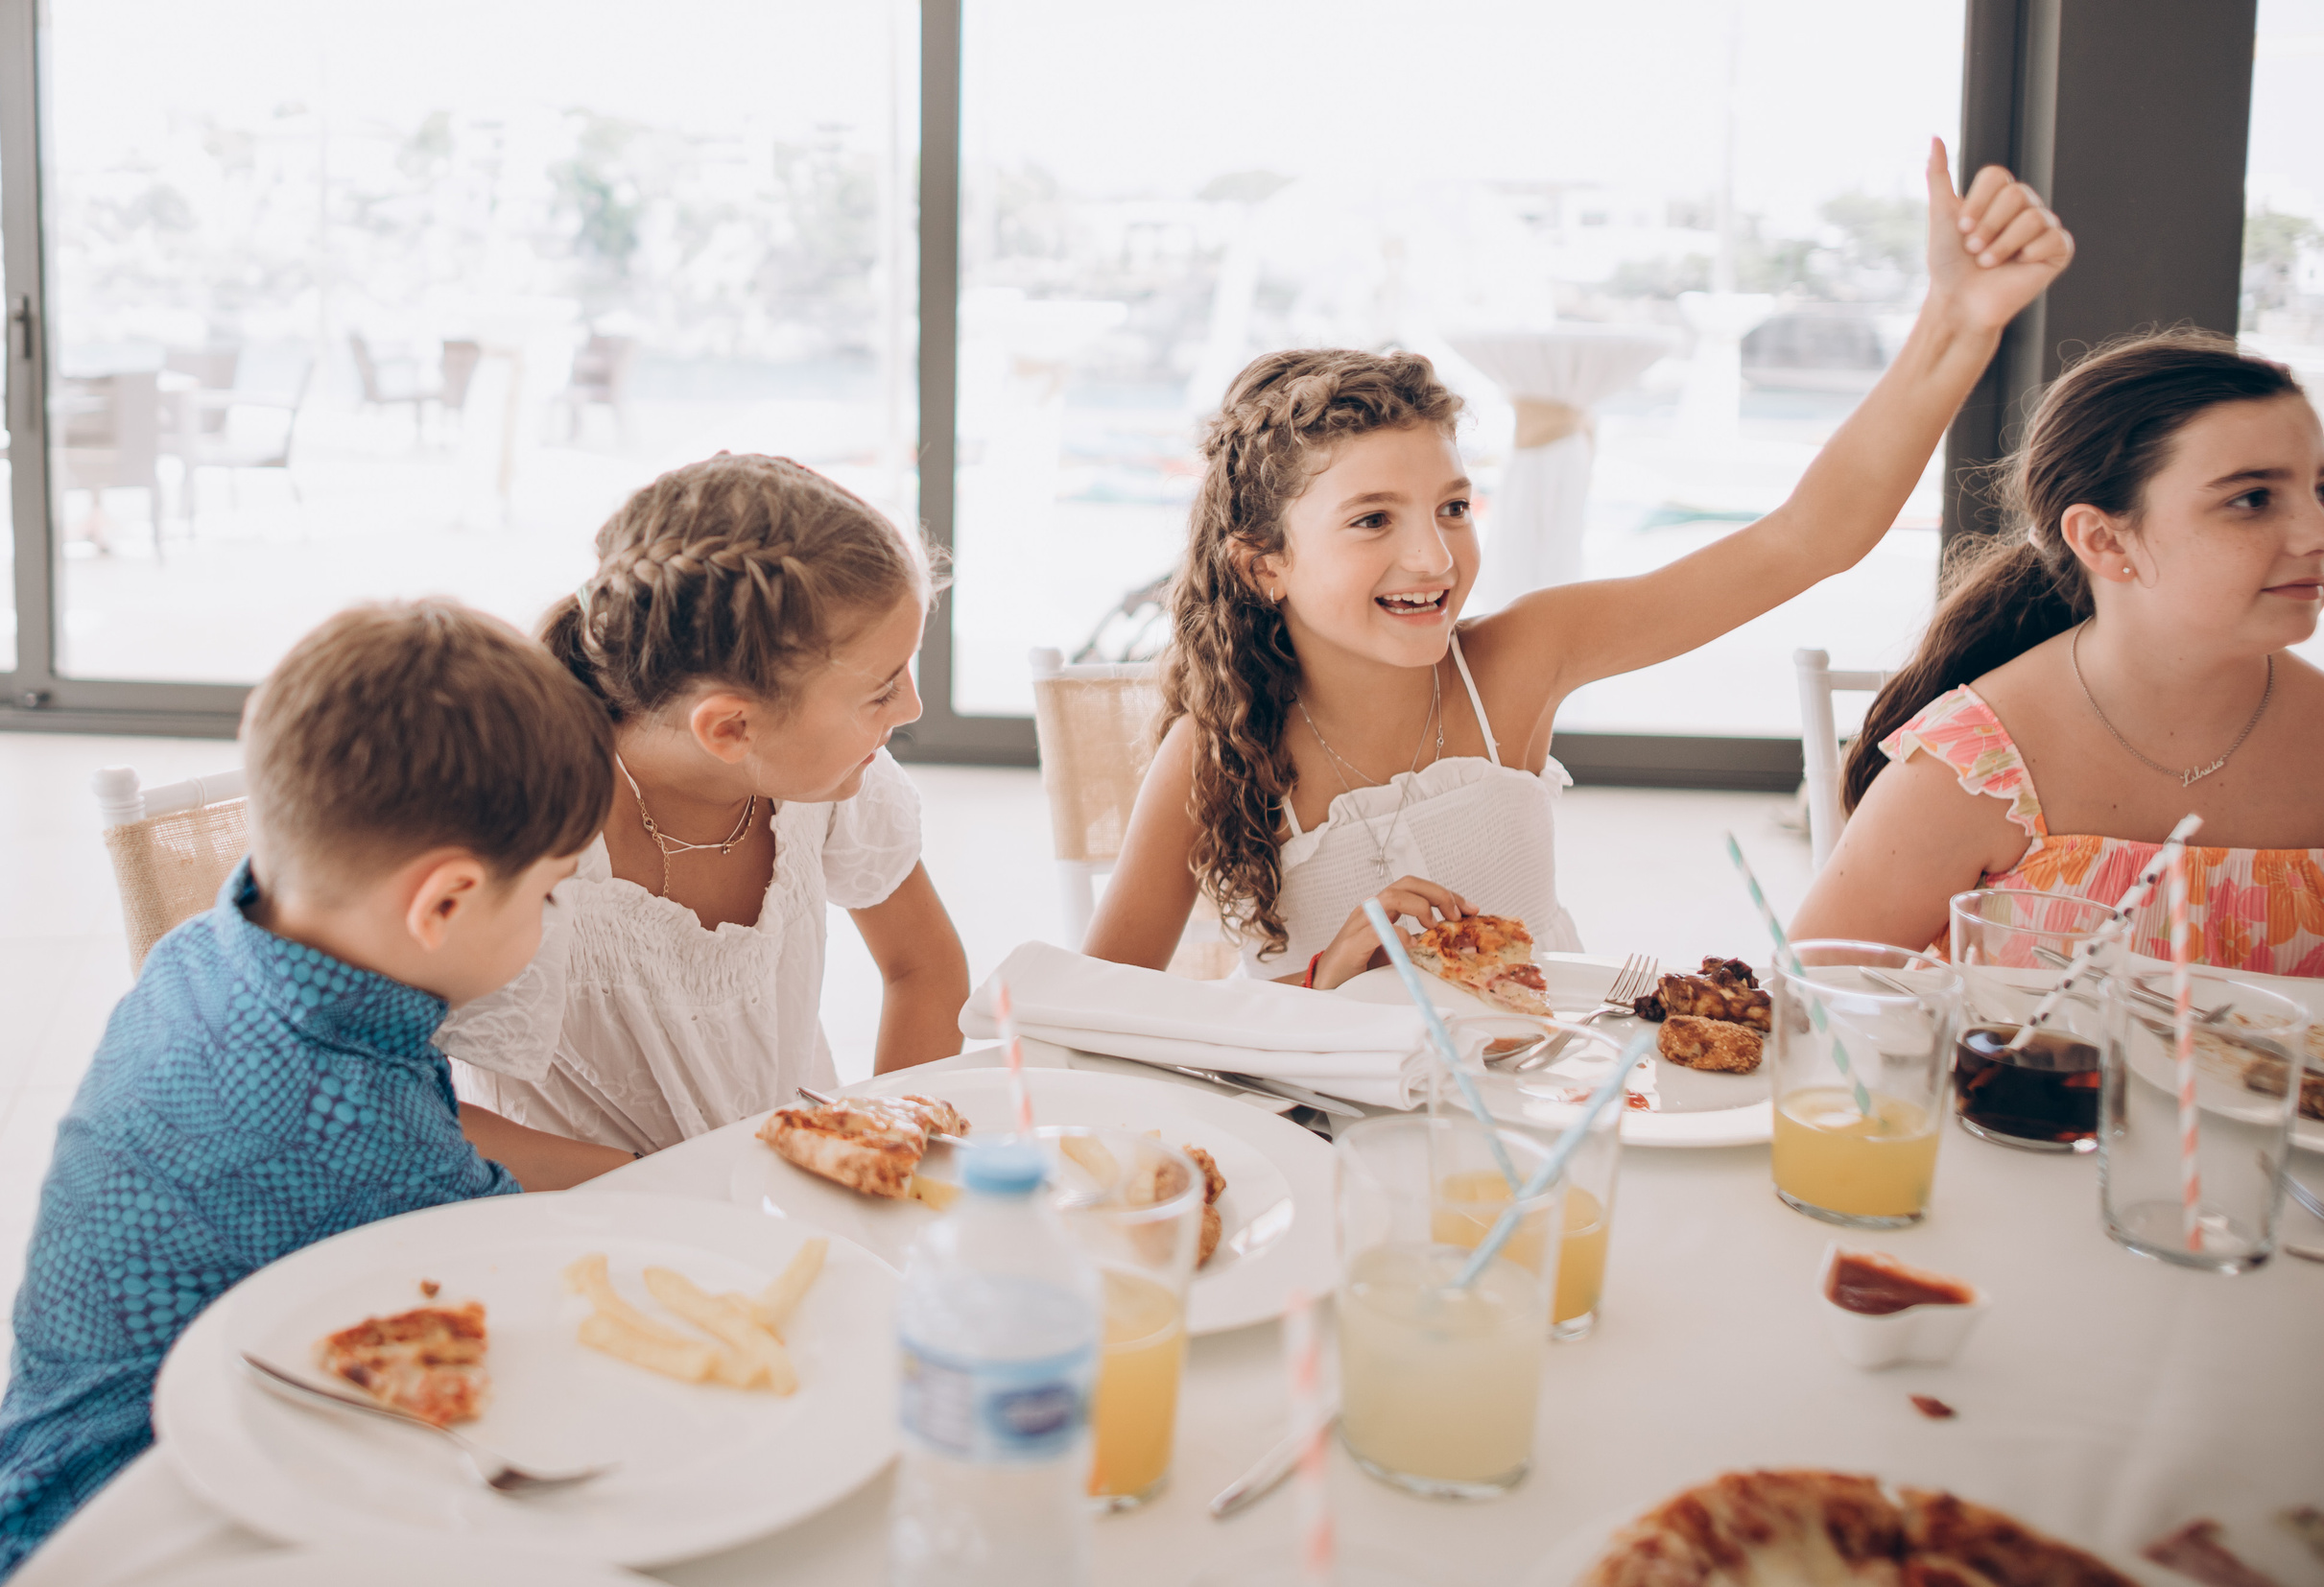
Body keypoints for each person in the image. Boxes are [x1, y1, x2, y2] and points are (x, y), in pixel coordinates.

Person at [1083, 142, 2074, 986]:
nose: (1432, 555)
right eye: (1371, 519)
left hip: (1543, 1093)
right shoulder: (1214, 756)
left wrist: (1959, 321)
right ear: (1263, 563)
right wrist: (1318, 982)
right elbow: (1097, 1006)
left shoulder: (1519, 661)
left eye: (1453, 507)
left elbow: (1806, 537)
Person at [0, 602, 627, 1575]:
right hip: (158, 1538)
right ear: (446, 901)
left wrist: (639, 1167)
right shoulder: (356, 1145)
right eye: (547, 891)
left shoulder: (212, 947)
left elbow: (434, 1131)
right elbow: (544, 1310)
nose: (550, 916)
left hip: (51, 1473)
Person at [1790, 330, 2324, 987]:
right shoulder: (1974, 768)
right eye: (2251, 499)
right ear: (2105, 539)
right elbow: (1813, 1001)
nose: (2322, 535)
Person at [442, 453, 968, 1154]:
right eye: (880, 690)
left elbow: (924, 968)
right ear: (730, 729)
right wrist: (656, 1188)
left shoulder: (828, 778)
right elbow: (407, 1104)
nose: (912, 706)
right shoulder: (523, 834)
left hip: (769, 1200)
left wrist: (892, 1148)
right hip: (580, 1224)